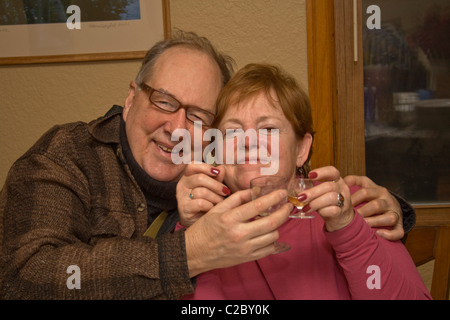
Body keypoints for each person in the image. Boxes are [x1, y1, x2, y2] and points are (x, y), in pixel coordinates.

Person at [0, 31, 413, 299]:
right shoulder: (70, 154)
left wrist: (384, 207)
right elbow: (22, 278)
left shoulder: (217, 177)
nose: (177, 128)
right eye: (163, 101)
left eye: (199, 116)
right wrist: (189, 252)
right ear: (130, 99)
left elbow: (283, 171)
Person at [176, 63, 431, 299]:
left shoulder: (353, 204)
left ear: (301, 149)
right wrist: (194, 236)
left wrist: (348, 229)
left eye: (268, 129)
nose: (248, 141)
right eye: (232, 131)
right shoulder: (202, 221)